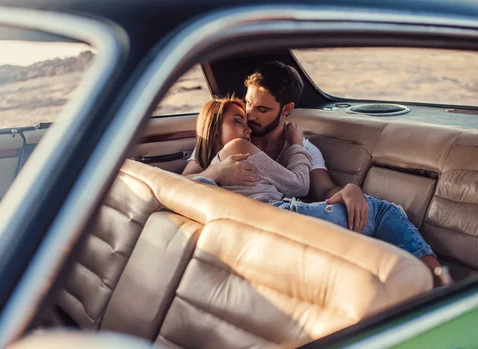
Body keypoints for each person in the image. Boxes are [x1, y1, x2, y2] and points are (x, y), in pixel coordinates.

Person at [192, 95, 452, 287]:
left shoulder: (205, 163)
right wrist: (296, 145)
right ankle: (442, 285)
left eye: (258, 111)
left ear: (286, 110)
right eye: (240, 119)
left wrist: (211, 172)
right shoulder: (237, 147)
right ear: (213, 128)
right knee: (384, 210)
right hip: (276, 218)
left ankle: (409, 281)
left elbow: (175, 184)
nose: (249, 125)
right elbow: (298, 184)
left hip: (251, 227)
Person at [183, 61, 369, 233]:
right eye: (248, 103)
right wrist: (216, 173)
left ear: (286, 110)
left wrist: (350, 190)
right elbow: (180, 182)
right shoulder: (230, 137)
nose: (249, 114)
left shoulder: (305, 149)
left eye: (262, 110)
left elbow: (325, 191)